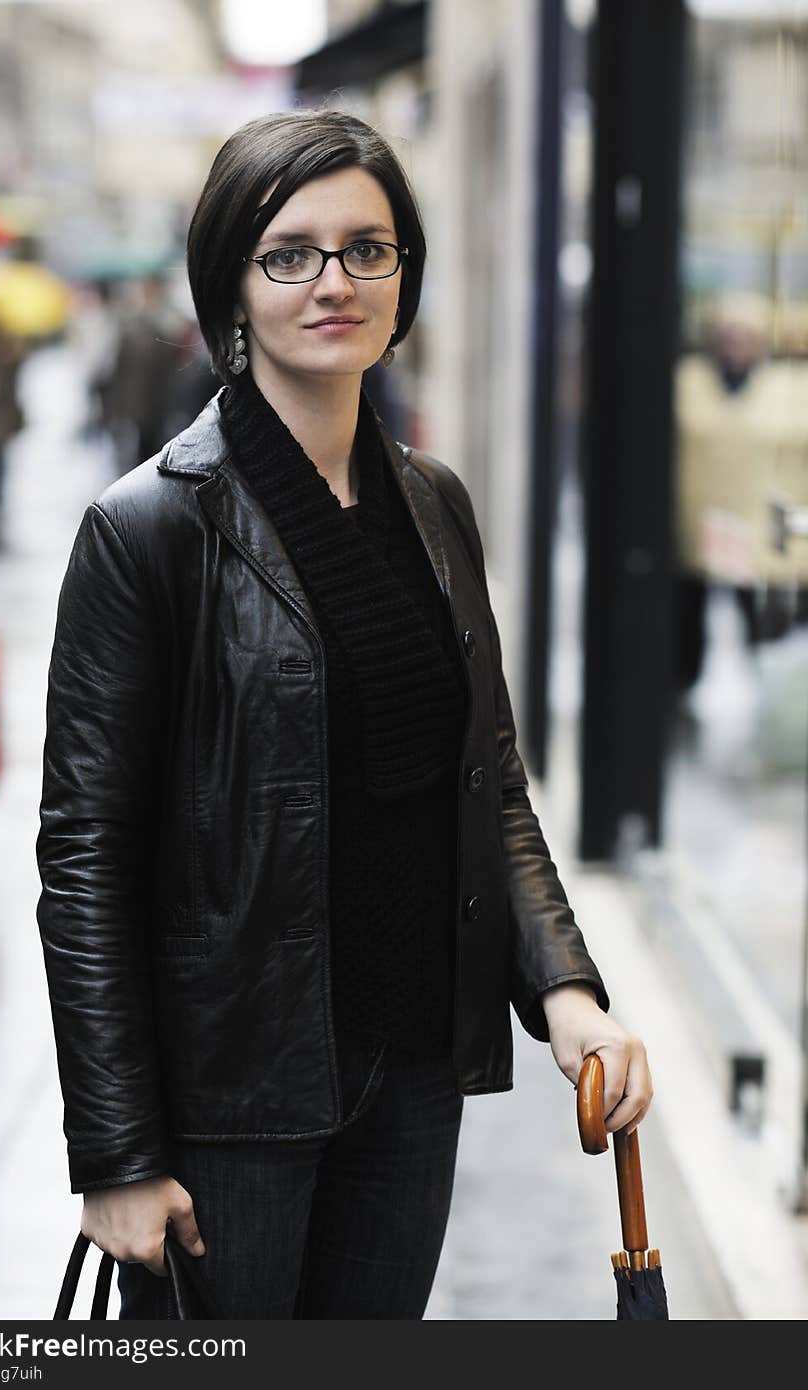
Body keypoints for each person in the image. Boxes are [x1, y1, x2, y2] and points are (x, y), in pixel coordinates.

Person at [36, 109, 652, 1320]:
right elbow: (86, 862)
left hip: (413, 1074)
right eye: (292, 253)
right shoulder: (149, 528)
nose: (335, 282)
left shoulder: (434, 503)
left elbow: (491, 785)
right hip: (231, 1099)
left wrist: (568, 995)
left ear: (404, 273)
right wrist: (115, 1152)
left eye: (369, 248)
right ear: (234, 283)